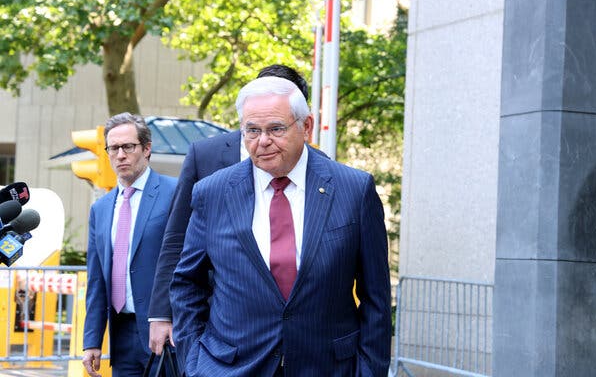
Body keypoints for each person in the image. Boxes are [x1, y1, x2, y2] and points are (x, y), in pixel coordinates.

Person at [170, 76, 391, 376]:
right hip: (230, 367)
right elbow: (186, 283)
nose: (262, 141)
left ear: (307, 127)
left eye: (275, 128)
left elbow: (376, 298)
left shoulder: (354, 189)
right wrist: (194, 362)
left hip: (327, 367)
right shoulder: (213, 193)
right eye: (252, 130)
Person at [147, 65, 314, 360]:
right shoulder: (205, 154)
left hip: (304, 336)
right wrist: (162, 314)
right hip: (217, 319)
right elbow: (176, 238)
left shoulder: (325, 173)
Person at [82, 112, 177, 377]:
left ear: (147, 149)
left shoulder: (175, 193)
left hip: (166, 331)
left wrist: (169, 316)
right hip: (121, 334)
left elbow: (187, 264)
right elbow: (96, 280)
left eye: (128, 147)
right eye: (114, 148)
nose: (120, 155)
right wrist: (92, 341)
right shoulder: (100, 209)